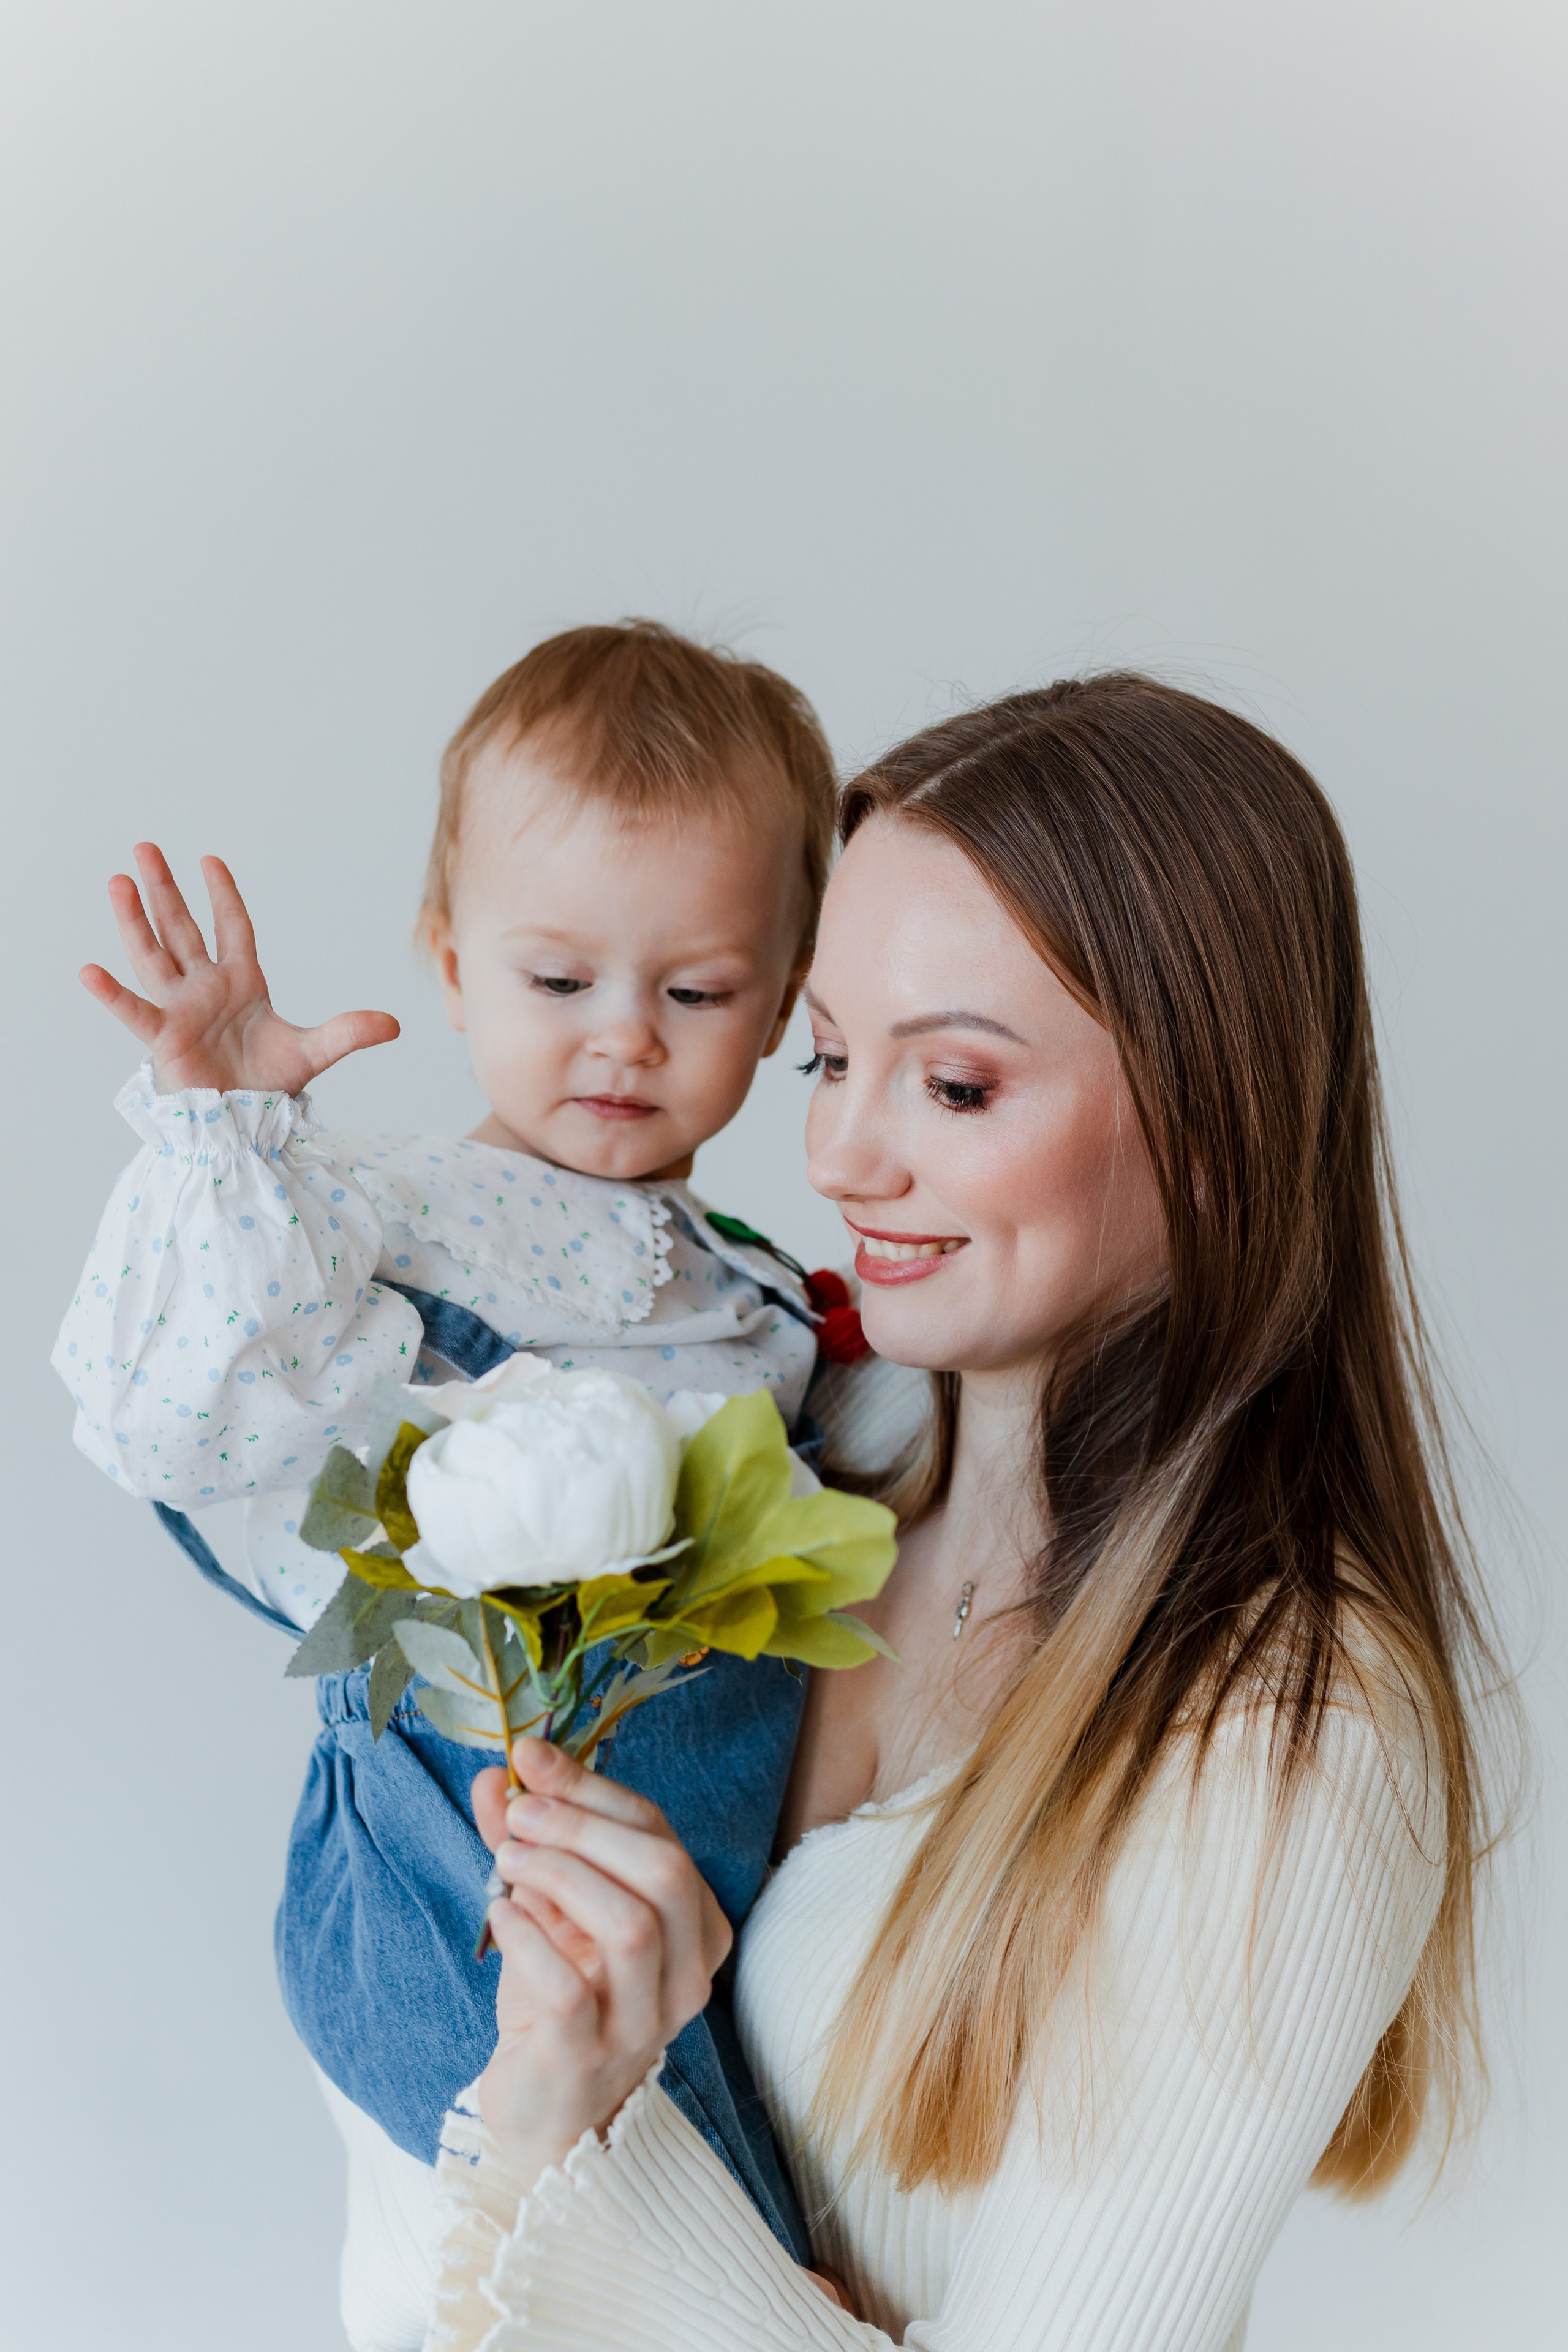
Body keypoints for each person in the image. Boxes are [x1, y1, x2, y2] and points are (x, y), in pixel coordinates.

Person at [421, 674, 1504, 2351]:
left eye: (955, 1088)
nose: (843, 1156)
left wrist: (593, 2143)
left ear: (1212, 1129)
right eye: (831, 1056)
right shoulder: (786, 1467)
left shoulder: (1289, 1731)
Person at [53, 622, 922, 2351]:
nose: (624, 1040)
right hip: (446, 1856)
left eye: (694, 992)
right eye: (557, 981)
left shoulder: (749, 1289)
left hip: (674, 1881)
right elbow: (177, 1419)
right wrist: (221, 1131)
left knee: (674, 2123)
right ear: (449, 964)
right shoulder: (379, 1221)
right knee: (682, 2222)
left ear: (784, 999)